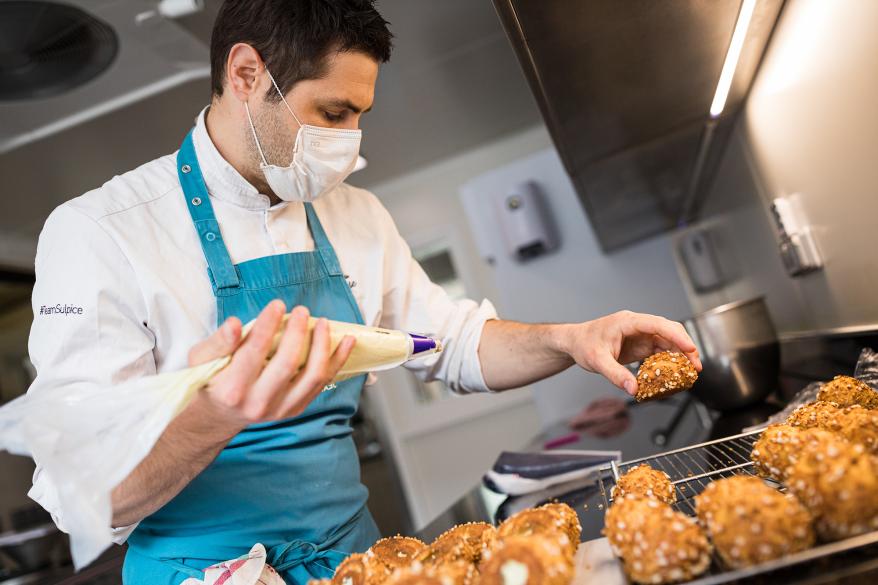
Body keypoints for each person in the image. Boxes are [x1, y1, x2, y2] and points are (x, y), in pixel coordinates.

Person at [25, 1, 701, 583]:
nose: (350, 141)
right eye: (333, 111)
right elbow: (89, 497)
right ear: (245, 74)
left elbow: (452, 343)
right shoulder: (99, 235)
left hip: (356, 558)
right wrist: (219, 410)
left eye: (359, 115)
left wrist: (569, 338)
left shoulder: (355, 215)